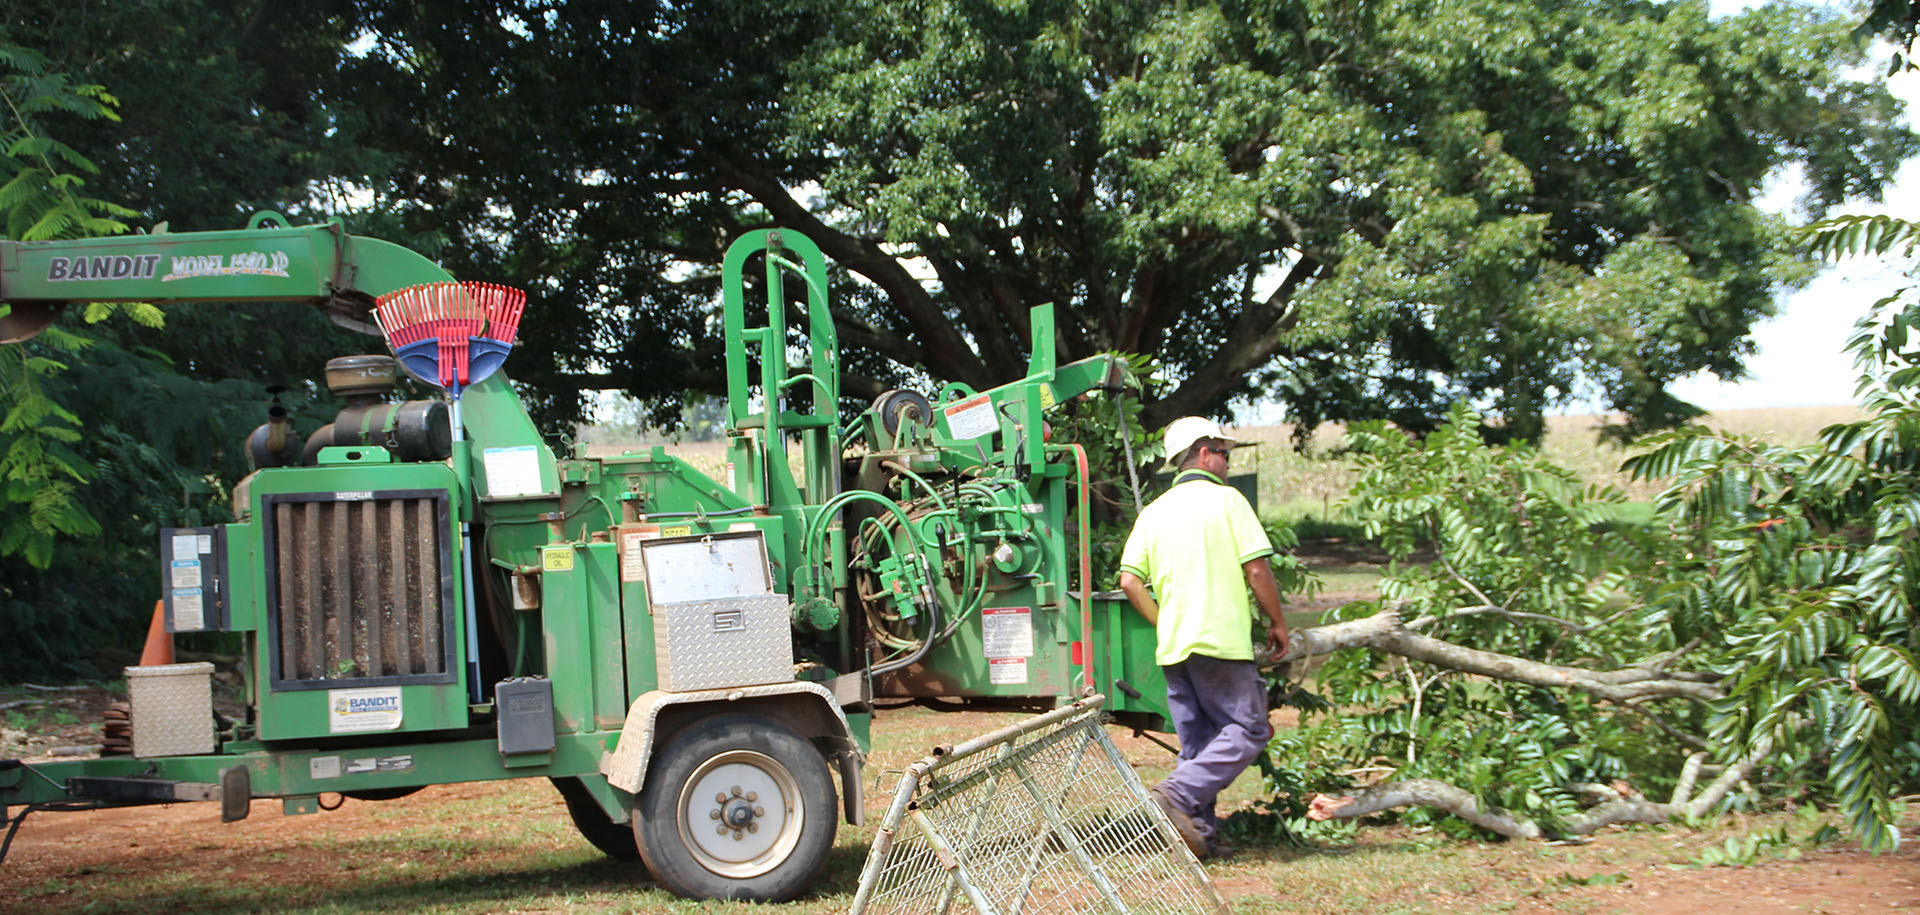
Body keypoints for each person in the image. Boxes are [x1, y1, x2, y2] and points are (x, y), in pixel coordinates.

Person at [1117, 416, 1290, 859]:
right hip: (1220, 642)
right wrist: (1278, 622)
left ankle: (1196, 841)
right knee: (1250, 729)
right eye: (1224, 453)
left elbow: (1130, 582)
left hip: (1176, 648)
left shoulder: (1153, 512)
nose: (1228, 463)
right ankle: (1173, 795)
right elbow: (1256, 568)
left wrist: (1166, 623)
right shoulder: (1227, 501)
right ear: (1204, 452)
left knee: (1197, 745)